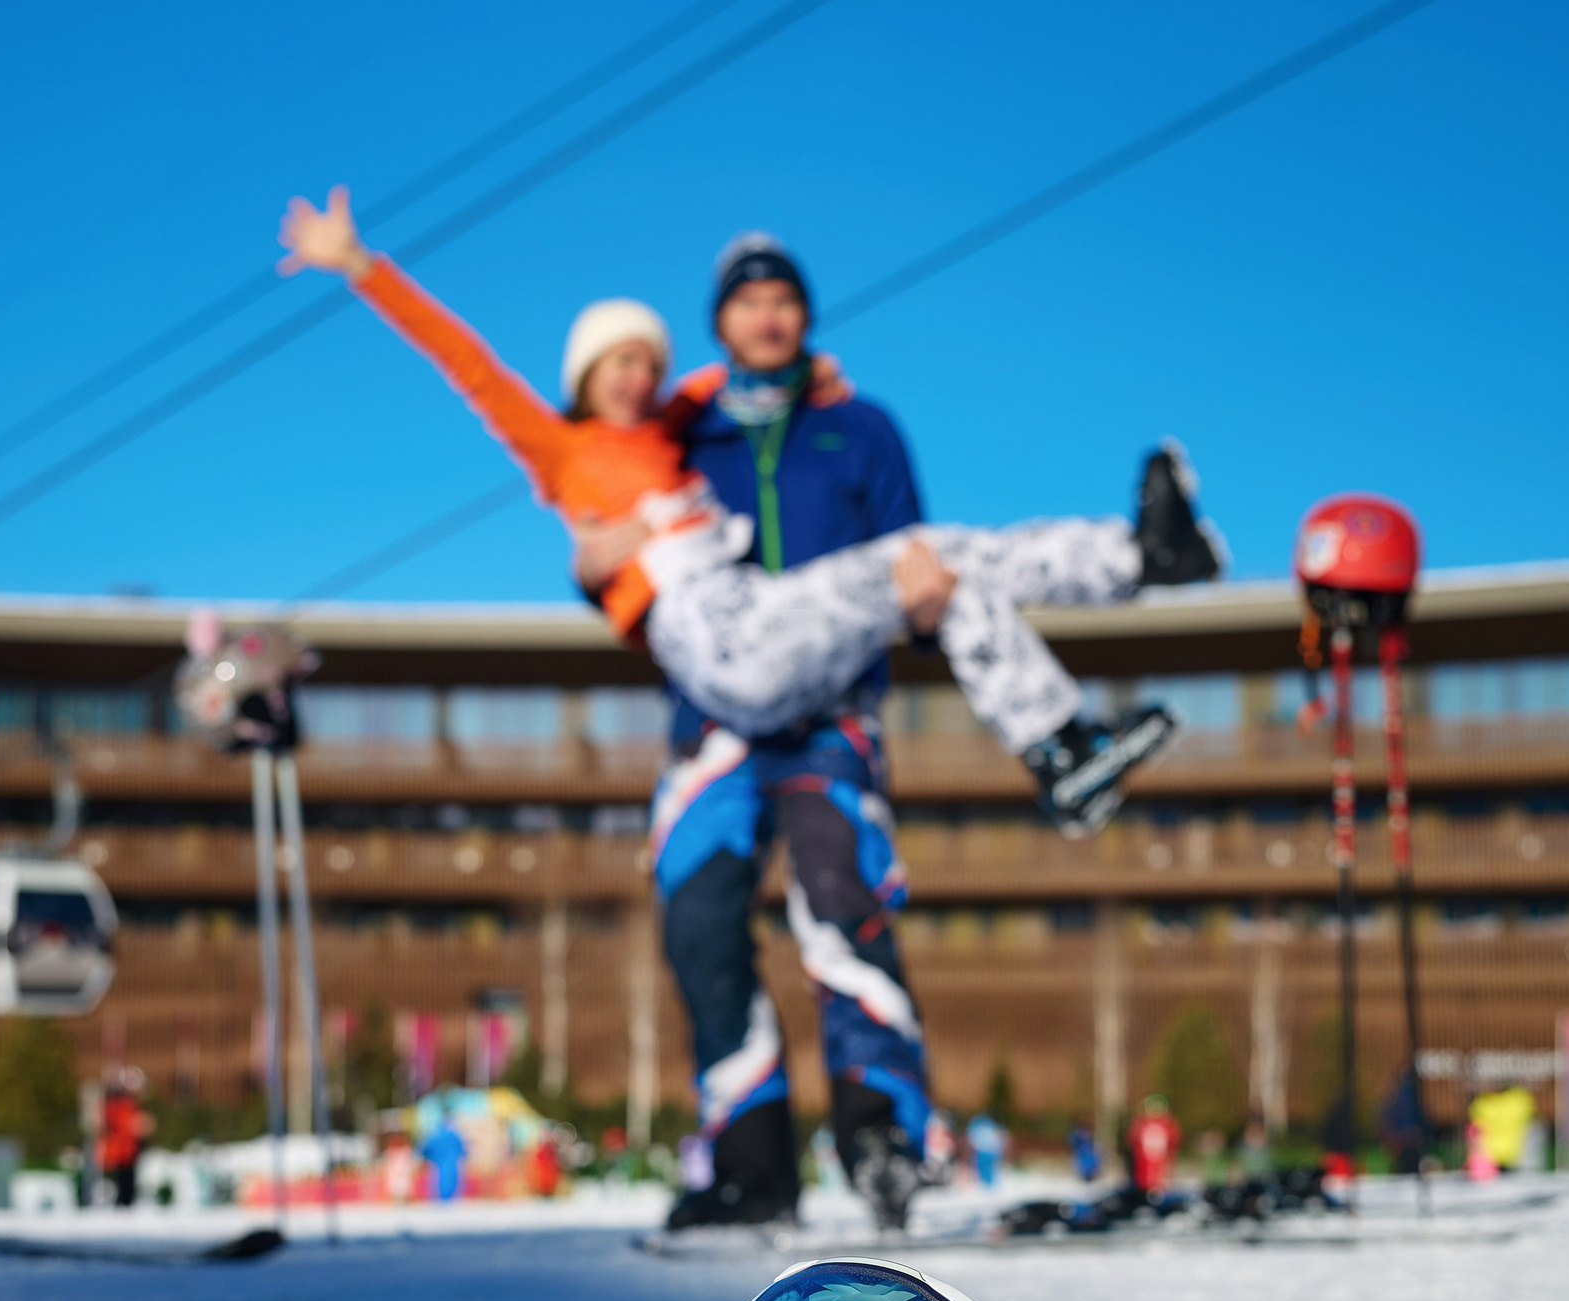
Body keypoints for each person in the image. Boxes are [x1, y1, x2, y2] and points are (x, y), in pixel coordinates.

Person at [279, 194, 1216, 1230]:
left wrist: (817, 423)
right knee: (701, 920)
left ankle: (884, 1141)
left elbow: (888, 549)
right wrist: (361, 265)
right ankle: (747, 1158)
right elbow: (474, 370)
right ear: (712, 330)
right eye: (744, 307)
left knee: (846, 897)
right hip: (719, 695)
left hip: (822, 698)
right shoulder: (645, 436)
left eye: (784, 304)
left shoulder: (843, 424)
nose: (639, 377)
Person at [96, 1065, 151, 1208]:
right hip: (121, 1149)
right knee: (122, 1184)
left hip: (128, 1149)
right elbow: (118, 1124)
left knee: (128, 1183)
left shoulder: (130, 1102)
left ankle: (125, 1204)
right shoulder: (118, 1103)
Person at [1124, 1094, 1182, 1209]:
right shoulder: (1142, 1124)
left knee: (1159, 1188)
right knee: (1146, 1188)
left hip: (1161, 1170)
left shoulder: (1166, 1124)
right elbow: (1131, 1139)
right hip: (1144, 1171)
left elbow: (1175, 1141)